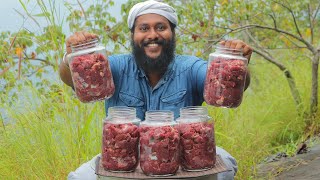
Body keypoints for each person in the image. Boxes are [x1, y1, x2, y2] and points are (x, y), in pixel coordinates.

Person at [59, 0, 253, 179]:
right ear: (133, 36)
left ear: (173, 34)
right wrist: (72, 58)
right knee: (79, 177)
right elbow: (72, 79)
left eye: (161, 27)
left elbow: (225, 85)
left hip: (181, 162)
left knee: (226, 164)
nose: (152, 35)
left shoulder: (190, 67)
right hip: (124, 161)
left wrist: (237, 65)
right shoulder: (115, 67)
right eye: (144, 28)